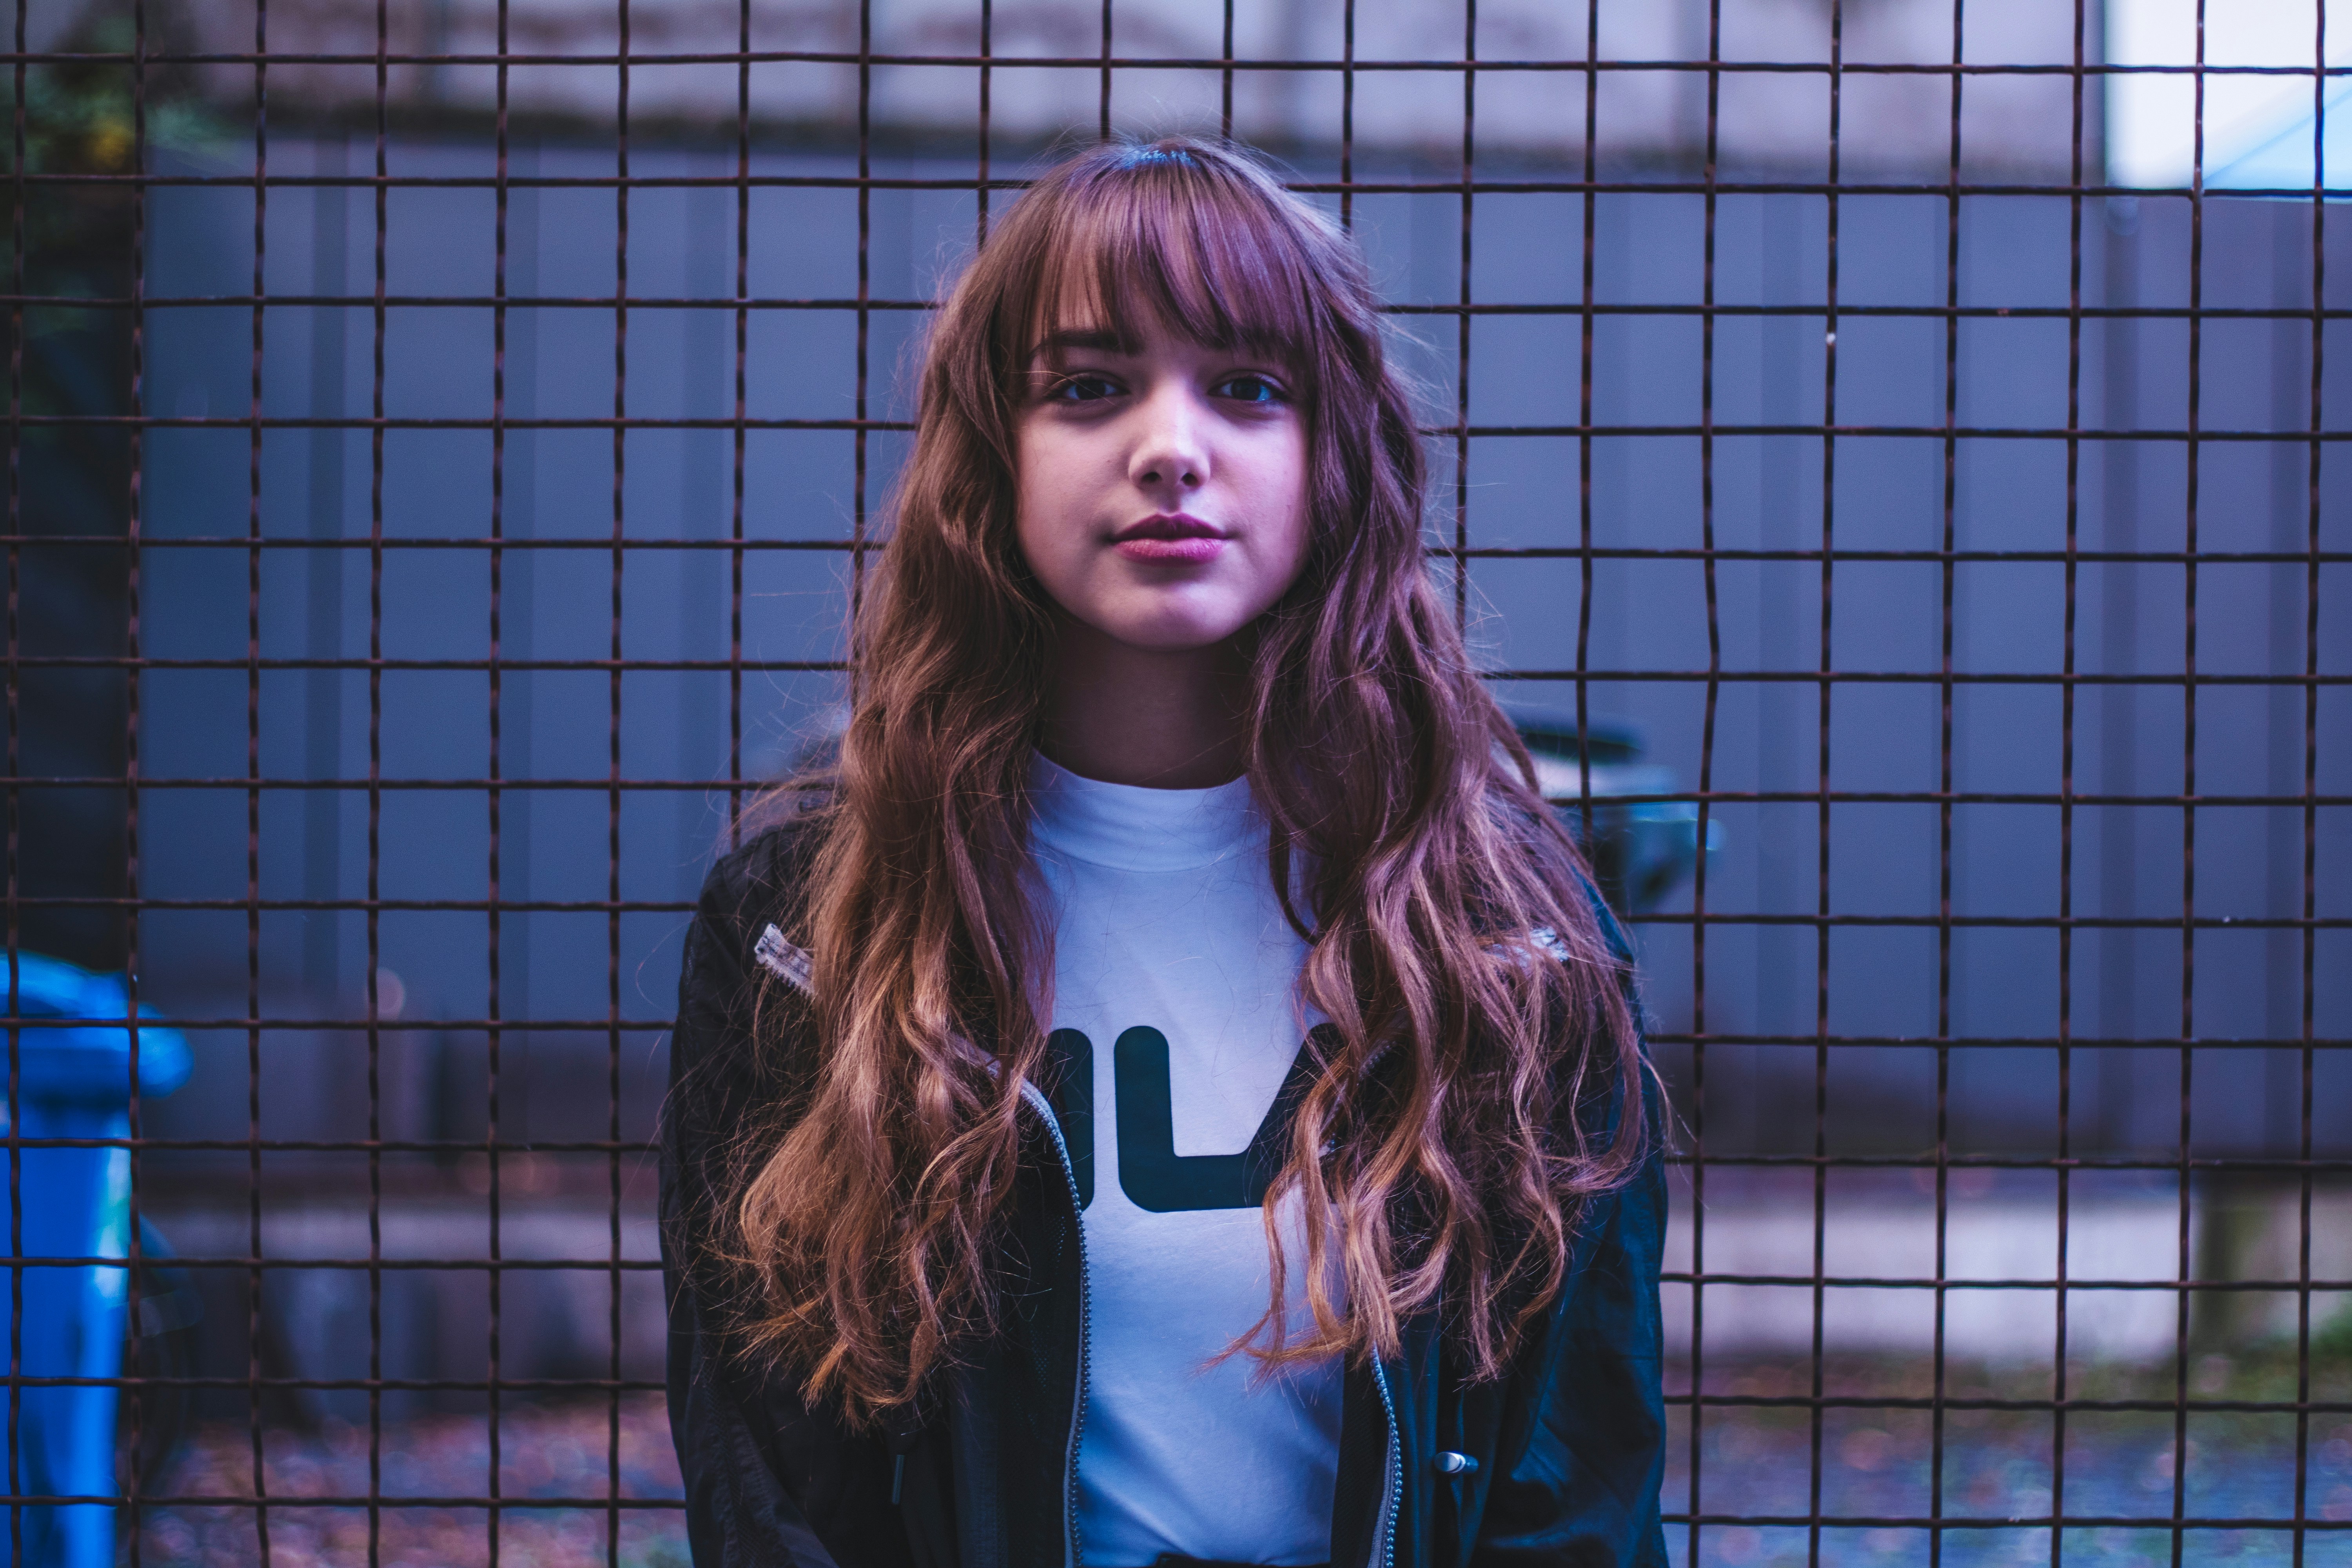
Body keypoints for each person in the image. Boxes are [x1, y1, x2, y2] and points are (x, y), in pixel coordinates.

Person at [660, 135, 1666, 1568]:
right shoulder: (810, 925)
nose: (1171, 446)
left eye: (1248, 388)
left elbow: (1580, 1496)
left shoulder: (1507, 929)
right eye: (1087, 387)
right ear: (991, 454)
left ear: (1335, 456)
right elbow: (773, 1495)